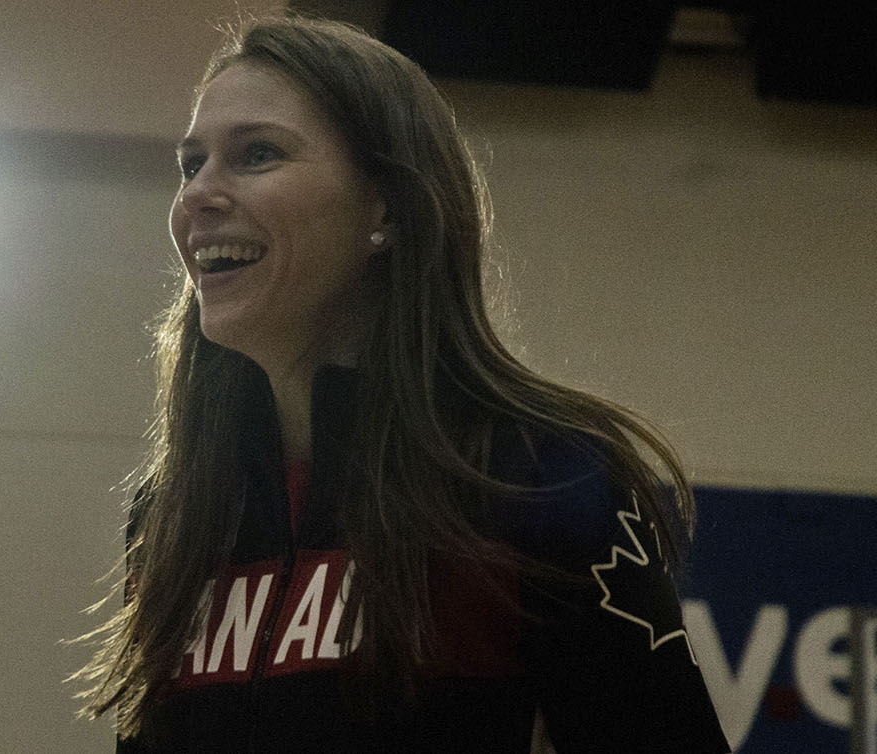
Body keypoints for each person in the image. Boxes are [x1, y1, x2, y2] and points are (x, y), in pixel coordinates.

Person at [72, 15, 730, 754]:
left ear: (385, 206)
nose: (199, 197)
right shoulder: (173, 511)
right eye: (191, 164)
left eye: (256, 155)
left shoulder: (543, 477)